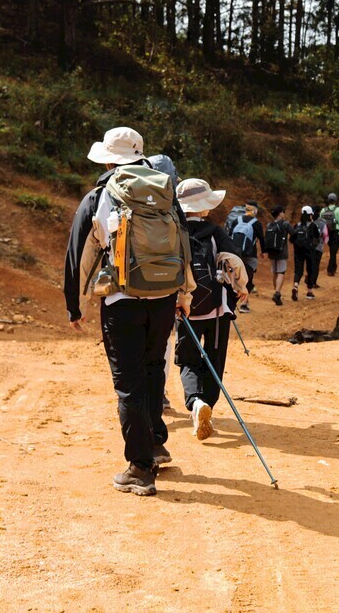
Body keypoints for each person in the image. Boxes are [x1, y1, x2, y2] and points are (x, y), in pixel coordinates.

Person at [63, 126, 194, 497]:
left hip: (122, 301)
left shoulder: (100, 195)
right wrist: (184, 294)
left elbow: (80, 253)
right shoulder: (166, 191)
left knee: (129, 382)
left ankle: (139, 468)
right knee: (154, 370)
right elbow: (183, 244)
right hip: (164, 297)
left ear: (108, 158)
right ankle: (155, 444)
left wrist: (75, 304)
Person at [174, 179, 250, 441]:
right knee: (215, 360)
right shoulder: (216, 232)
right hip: (217, 311)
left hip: (184, 309)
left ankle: (195, 403)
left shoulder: (174, 231)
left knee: (187, 359)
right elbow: (234, 261)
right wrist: (241, 286)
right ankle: (208, 403)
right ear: (205, 207)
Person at [228, 201, 264, 313]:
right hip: (250, 254)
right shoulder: (256, 223)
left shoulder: (236, 220)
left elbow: (229, 235)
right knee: (248, 278)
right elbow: (261, 239)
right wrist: (264, 251)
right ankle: (244, 304)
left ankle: (230, 302)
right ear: (255, 210)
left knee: (234, 277)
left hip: (236, 253)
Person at [291, 206, 322, 301]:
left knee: (298, 270)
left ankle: (295, 286)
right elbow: (318, 237)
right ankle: (309, 291)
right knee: (310, 270)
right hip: (310, 251)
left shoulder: (297, 225)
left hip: (298, 251)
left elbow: (292, 238)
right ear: (310, 215)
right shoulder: (313, 226)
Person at [264, 206, 293, 305]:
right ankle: (277, 293)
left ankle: (276, 291)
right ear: (280, 213)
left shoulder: (269, 225)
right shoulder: (285, 224)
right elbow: (293, 234)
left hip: (271, 252)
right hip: (281, 252)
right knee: (281, 272)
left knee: (275, 272)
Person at [320, 193, 339, 276]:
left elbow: (320, 222)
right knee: (333, 252)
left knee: (332, 251)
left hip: (327, 233)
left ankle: (334, 266)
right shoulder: (338, 210)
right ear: (335, 200)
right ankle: (330, 270)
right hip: (336, 232)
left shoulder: (323, 210)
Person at [310, 205, 330, 289]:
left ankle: (309, 280)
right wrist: (323, 242)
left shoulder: (309, 222)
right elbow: (326, 237)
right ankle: (313, 282)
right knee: (316, 265)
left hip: (309, 247)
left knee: (310, 264)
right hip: (318, 247)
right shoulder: (322, 223)